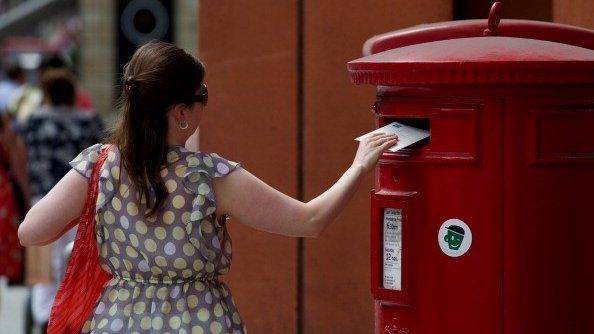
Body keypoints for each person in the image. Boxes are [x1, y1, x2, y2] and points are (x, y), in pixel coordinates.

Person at [18, 41, 398, 333]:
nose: (205, 105)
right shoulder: (209, 177)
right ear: (181, 112)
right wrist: (360, 164)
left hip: (117, 321)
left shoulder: (98, 165)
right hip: (199, 320)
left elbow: (32, 232)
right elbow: (310, 220)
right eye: (203, 97)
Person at [19, 67, 103, 331]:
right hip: (81, 203)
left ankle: (44, 319)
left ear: (47, 93)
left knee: (42, 271)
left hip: (42, 199)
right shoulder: (90, 120)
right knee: (77, 263)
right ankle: (74, 316)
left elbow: (22, 158)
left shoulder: (33, 120)